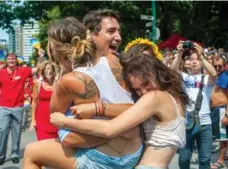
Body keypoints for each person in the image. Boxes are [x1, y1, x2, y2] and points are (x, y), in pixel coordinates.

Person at [23, 14, 143, 169]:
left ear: (54, 48)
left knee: (31, 153)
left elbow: (57, 122)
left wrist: (111, 132)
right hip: (134, 153)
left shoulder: (69, 81)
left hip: (103, 159)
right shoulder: (115, 60)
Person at [50, 51, 190, 169]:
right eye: (137, 90)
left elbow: (109, 129)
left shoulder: (155, 97)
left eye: (146, 84)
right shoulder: (176, 97)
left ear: (156, 72)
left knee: (33, 153)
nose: (143, 92)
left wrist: (64, 122)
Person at [171, 41, 217, 169]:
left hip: (205, 124)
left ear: (202, 62)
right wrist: (179, 53)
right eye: (192, 59)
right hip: (187, 123)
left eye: (197, 60)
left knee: (205, 159)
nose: (195, 62)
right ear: (188, 63)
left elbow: (214, 74)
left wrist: (201, 55)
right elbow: (172, 70)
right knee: (184, 158)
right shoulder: (184, 77)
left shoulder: (207, 79)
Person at [0, 53, 37, 165]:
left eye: (13, 58)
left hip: (18, 107)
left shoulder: (23, 71)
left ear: (16, 60)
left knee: (17, 131)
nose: (11, 60)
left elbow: (39, 69)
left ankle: (15, 153)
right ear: (6, 61)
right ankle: (1, 155)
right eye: (9, 58)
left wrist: (41, 57)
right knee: (2, 130)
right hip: (4, 107)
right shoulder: (1, 73)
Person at [29, 60, 58, 140]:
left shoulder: (59, 83)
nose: (48, 71)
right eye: (45, 69)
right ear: (42, 71)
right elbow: (34, 102)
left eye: (49, 69)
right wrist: (33, 120)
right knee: (42, 143)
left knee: (56, 146)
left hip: (55, 118)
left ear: (53, 70)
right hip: (41, 119)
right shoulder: (37, 83)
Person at [210, 55, 228, 169]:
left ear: (225, 65)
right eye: (214, 65)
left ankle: (221, 160)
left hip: (222, 109)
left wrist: (227, 114)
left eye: (219, 66)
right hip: (212, 110)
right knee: (217, 136)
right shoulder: (211, 76)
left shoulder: (226, 77)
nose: (217, 68)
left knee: (223, 137)